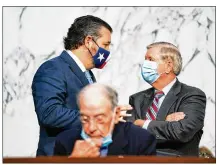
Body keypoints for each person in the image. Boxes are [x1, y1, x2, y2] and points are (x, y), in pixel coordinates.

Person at [31, 15, 131, 156]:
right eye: (106, 45)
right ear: (89, 41)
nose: (108, 51)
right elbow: (49, 113)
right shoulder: (53, 68)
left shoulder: (88, 74)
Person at [126, 42, 206, 156]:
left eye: (150, 59)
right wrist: (165, 122)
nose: (144, 64)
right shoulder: (136, 99)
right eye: (145, 59)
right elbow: (128, 135)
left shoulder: (192, 95)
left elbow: (182, 132)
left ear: (168, 66)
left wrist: (142, 123)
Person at [53, 83, 156, 157]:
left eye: (100, 119)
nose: (91, 128)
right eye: (85, 119)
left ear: (115, 115)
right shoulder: (64, 141)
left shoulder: (141, 140)